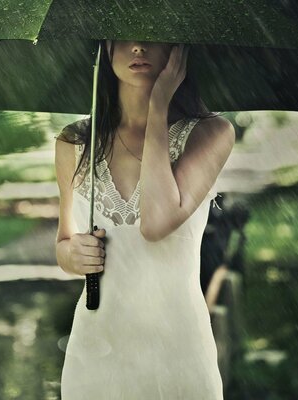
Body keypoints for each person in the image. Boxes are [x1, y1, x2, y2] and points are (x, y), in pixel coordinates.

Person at [54, 40, 235, 399]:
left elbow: (155, 223)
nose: (138, 46)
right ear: (105, 47)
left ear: (179, 50)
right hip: (96, 356)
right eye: (125, 34)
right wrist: (73, 255)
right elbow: (63, 243)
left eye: (153, 34)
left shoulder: (211, 134)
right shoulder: (74, 142)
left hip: (179, 355)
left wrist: (159, 106)